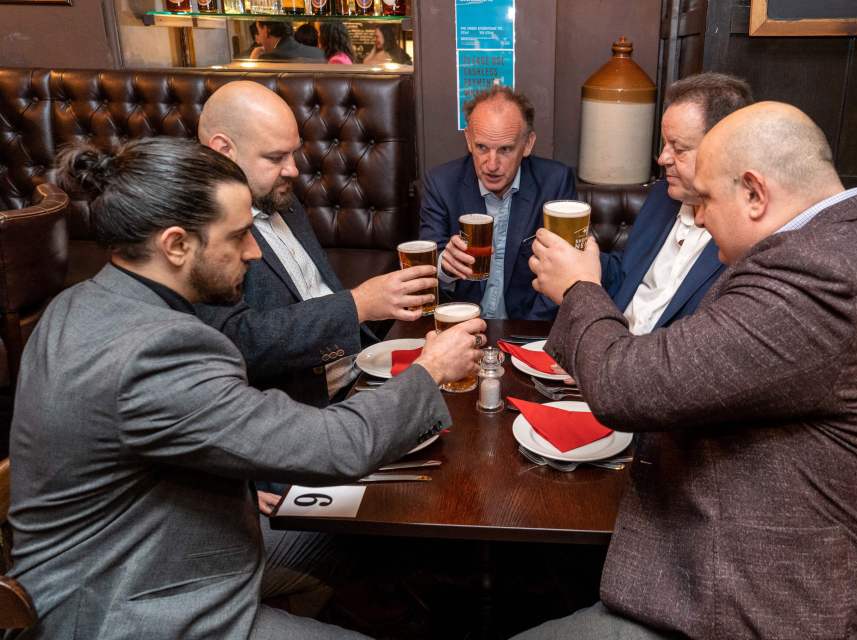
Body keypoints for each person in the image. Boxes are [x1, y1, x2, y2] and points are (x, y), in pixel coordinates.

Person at [7, 136, 485, 639]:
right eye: (238, 237)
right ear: (175, 245)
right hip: (130, 607)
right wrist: (430, 369)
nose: (255, 252)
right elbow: (339, 446)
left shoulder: (79, 302)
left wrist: (233, 479)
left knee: (375, 533)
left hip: (133, 544)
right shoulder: (157, 350)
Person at [521, 102, 857, 639]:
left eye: (705, 201)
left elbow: (623, 386)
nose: (697, 218)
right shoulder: (847, 238)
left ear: (754, 192)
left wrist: (579, 289)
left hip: (800, 605)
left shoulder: (821, 275)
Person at [195, 80, 437, 504]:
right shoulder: (202, 235)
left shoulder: (279, 197)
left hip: (356, 381)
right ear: (222, 150)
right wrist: (359, 304)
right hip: (304, 423)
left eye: (293, 152)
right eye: (275, 157)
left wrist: (381, 304)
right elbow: (238, 343)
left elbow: (315, 293)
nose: (294, 168)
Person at [600, 72, 752, 334]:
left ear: (725, 148)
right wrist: (584, 260)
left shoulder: (745, 233)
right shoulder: (663, 196)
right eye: (664, 144)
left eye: (678, 148)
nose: (663, 159)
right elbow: (627, 275)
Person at [419, 85, 576, 320]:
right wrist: (446, 265)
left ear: (528, 144)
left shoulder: (555, 182)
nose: (491, 165)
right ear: (469, 141)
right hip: (462, 325)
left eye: (505, 149)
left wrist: (527, 335)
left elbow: (567, 271)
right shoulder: (442, 183)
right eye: (482, 147)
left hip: (529, 327)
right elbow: (427, 272)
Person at [256, 21, 327, 62]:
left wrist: (254, 61)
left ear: (265, 30)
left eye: (258, 31)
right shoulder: (319, 53)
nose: (258, 40)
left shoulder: (266, 60)